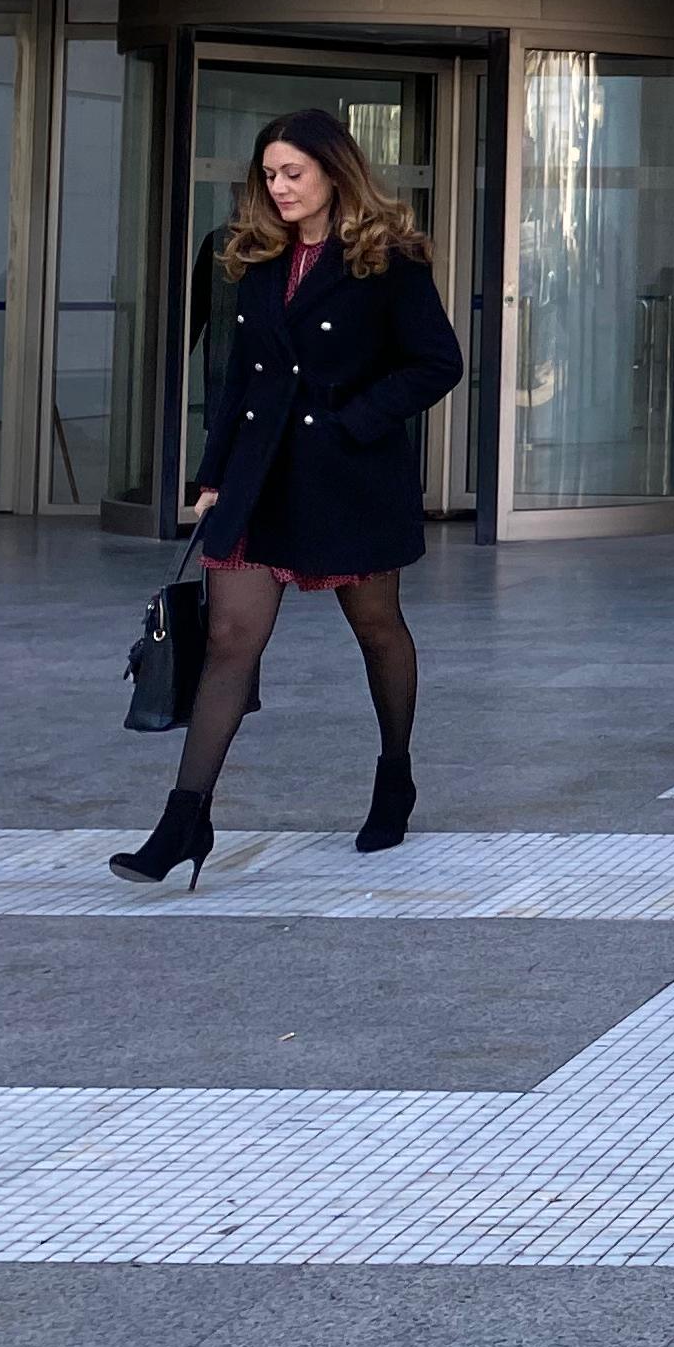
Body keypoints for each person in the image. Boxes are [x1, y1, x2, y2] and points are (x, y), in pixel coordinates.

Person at [115, 109, 464, 887]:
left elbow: (438, 361)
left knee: (377, 630)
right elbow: (238, 378)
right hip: (260, 476)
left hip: (350, 476)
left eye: (291, 173)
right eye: (268, 174)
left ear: (335, 171)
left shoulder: (390, 257)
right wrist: (211, 478)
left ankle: (394, 776)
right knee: (231, 639)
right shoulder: (257, 256)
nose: (277, 188)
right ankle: (183, 820)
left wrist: (355, 420)